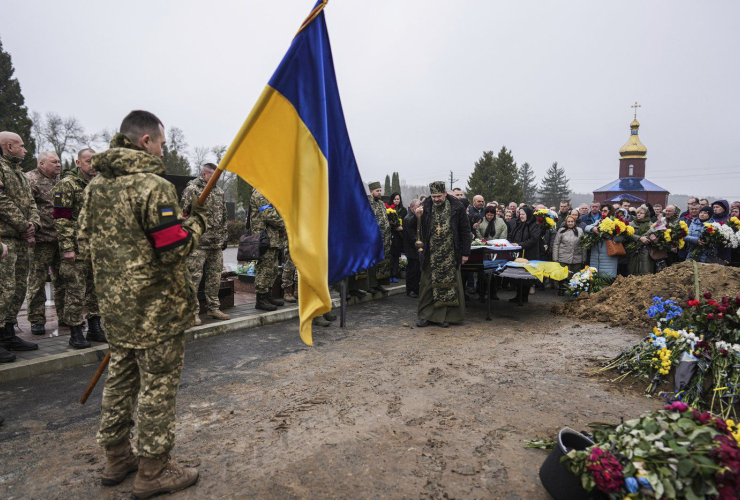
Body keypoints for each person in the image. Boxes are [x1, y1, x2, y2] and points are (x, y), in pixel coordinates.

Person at [79, 110, 205, 496]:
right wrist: (195, 223)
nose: (163, 150)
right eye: (162, 144)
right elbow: (173, 250)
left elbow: (83, 243)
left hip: (117, 311)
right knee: (157, 388)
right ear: (145, 141)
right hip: (157, 310)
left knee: (120, 380)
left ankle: (117, 458)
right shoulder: (154, 186)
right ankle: (153, 471)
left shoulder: (96, 185)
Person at [53, 148, 106, 349]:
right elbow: (61, 218)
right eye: (88, 161)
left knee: (95, 291)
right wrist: (67, 247)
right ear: (78, 163)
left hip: (96, 249)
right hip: (76, 248)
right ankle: (75, 332)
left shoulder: (100, 185)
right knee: (75, 291)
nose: (92, 165)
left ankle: (94, 327)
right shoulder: (67, 185)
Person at [408, 181, 471, 327]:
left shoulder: (457, 207)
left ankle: (447, 317)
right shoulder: (426, 206)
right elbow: (411, 226)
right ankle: (425, 316)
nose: (436, 199)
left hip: (451, 253)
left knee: (449, 285)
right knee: (427, 285)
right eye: (434, 196)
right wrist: (416, 216)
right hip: (431, 253)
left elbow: (465, 230)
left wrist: (465, 253)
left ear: (445, 194)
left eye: (439, 196)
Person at [0, 131, 40, 358]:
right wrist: (23, 225)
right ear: (8, 146)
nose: (25, 150)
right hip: (4, 240)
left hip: (21, 241)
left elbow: (31, 201)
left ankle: (8, 334)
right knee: (2, 290)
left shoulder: (21, 174)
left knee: (17, 289)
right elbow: (1, 200)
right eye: (21, 146)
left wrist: (33, 223)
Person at [181, 163, 229, 326]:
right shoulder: (192, 190)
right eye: (214, 176)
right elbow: (184, 215)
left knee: (214, 277)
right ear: (204, 174)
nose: (216, 179)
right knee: (193, 279)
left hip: (215, 243)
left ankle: (213, 308)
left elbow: (223, 217)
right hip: (199, 244)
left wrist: (224, 236)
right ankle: (192, 313)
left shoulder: (219, 192)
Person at [25, 151, 66, 335]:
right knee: (37, 281)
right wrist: (29, 232)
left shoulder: (61, 181)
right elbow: (26, 207)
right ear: (42, 164)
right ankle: (36, 320)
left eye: (59, 161)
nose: (58, 164)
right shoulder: (30, 179)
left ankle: (65, 316)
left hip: (60, 238)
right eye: (54, 162)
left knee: (62, 280)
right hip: (40, 241)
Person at [250, 189, 286, 311]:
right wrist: (286, 223)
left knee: (273, 269)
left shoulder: (268, 192)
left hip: (273, 238)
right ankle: (260, 299)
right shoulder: (260, 193)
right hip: (265, 239)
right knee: (264, 269)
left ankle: (268, 295)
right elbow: (268, 214)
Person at [507, 206, 541, 303]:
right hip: (517, 253)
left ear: (528, 215)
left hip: (529, 254)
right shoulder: (517, 224)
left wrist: (520, 245)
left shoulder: (534, 225)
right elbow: (511, 235)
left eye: (523, 214)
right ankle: (518, 295)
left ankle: (524, 296)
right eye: (520, 214)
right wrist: (510, 243)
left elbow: (534, 239)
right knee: (518, 275)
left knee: (526, 276)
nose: (521, 216)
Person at [367, 182, 391, 293]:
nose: (380, 193)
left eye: (380, 190)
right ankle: (371, 285)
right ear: (371, 191)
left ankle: (379, 283)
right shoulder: (367, 203)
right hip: (373, 237)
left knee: (382, 260)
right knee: (373, 261)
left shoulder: (381, 203)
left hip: (384, 237)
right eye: (377, 191)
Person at [552, 215, 586, 295]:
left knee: (574, 275)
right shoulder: (561, 230)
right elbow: (556, 244)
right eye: (569, 221)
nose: (570, 223)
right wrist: (555, 258)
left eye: (572, 221)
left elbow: (583, 245)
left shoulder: (580, 230)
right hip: (563, 256)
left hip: (576, 257)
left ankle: (573, 291)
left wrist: (584, 258)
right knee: (563, 275)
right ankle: (561, 289)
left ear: (574, 222)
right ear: (566, 222)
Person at [585, 205, 622, 278]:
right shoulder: (599, 221)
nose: (602, 212)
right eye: (601, 211)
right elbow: (586, 227)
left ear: (610, 211)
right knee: (596, 279)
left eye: (605, 211)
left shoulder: (616, 222)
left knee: (607, 279)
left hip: (608, 256)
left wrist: (609, 235)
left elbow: (620, 238)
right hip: (596, 257)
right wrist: (593, 228)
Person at [626, 205, 655, 276]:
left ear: (646, 215)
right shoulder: (630, 224)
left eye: (641, 213)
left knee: (645, 271)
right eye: (637, 213)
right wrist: (639, 238)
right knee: (631, 272)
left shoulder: (651, 225)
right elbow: (627, 234)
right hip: (632, 251)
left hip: (646, 251)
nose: (638, 214)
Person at [403, 199, 422, 297]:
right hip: (412, 248)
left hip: (416, 248)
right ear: (412, 208)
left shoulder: (416, 217)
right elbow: (411, 235)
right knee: (412, 270)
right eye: (418, 206)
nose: (420, 208)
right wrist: (419, 243)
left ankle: (415, 289)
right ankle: (410, 289)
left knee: (416, 270)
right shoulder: (408, 218)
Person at [388, 192, 407, 283]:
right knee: (389, 256)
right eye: (395, 199)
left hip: (399, 236)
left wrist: (401, 227)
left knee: (396, 256)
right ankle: (388, 274)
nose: (396, 201)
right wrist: (391, 223)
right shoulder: (388, 209)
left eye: (398, 199)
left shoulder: (403, 210)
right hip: (389, 234)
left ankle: (394, 274)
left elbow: (406, 222)